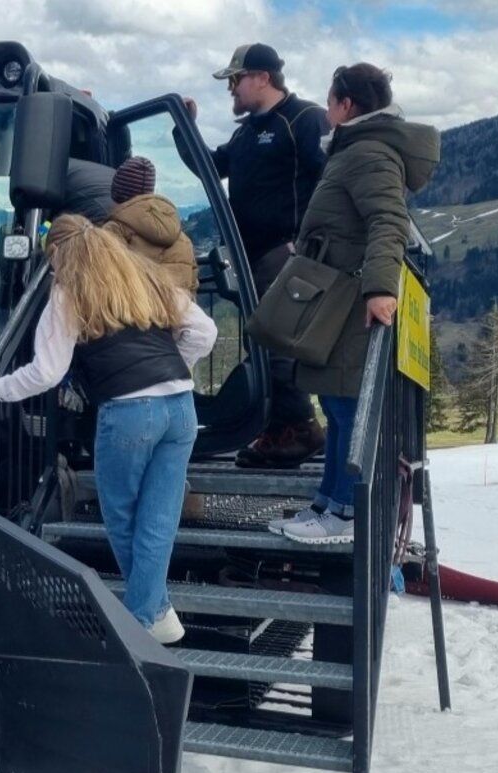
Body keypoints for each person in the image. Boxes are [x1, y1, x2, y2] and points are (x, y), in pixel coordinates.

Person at [0, 215, 217, 642]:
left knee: (122, 516)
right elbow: (205, 330)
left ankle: (142, 620)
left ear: (60, 255)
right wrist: (175, 368)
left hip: (128, 410)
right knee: (159, 517)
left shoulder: (68, 293)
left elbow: (46, 372)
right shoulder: (146, 278)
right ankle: (156, 614)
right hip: (180, 407)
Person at [268, 63, 439, 544]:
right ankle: (327, 503)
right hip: (337, 294)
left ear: (346, 106)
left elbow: (388, 220)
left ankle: (344, 513)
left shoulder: (368, 153)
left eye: (329, 101)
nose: (325, 112)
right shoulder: (358, 151)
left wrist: (380, 288)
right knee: (336, 404)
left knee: (346, 407)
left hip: (351, 301)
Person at [184, 42, 330, 469]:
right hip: (250, 257)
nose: (231, 89)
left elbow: (328, 177)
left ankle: (300, 428)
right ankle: (279, 428)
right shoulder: (245, 133)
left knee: (278, 341)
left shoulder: (303, 119)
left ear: (262, 77)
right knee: (263, 341)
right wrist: (186, 129)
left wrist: (304, 242)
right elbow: (211, 167)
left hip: (284, 251)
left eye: (235, 79)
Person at [103, 157, 198, 292]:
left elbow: (103, 282)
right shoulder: (183, 239)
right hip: (179, 311)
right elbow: (192, 287)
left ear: (118, 193)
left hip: (133, 312)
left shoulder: (114, 231)